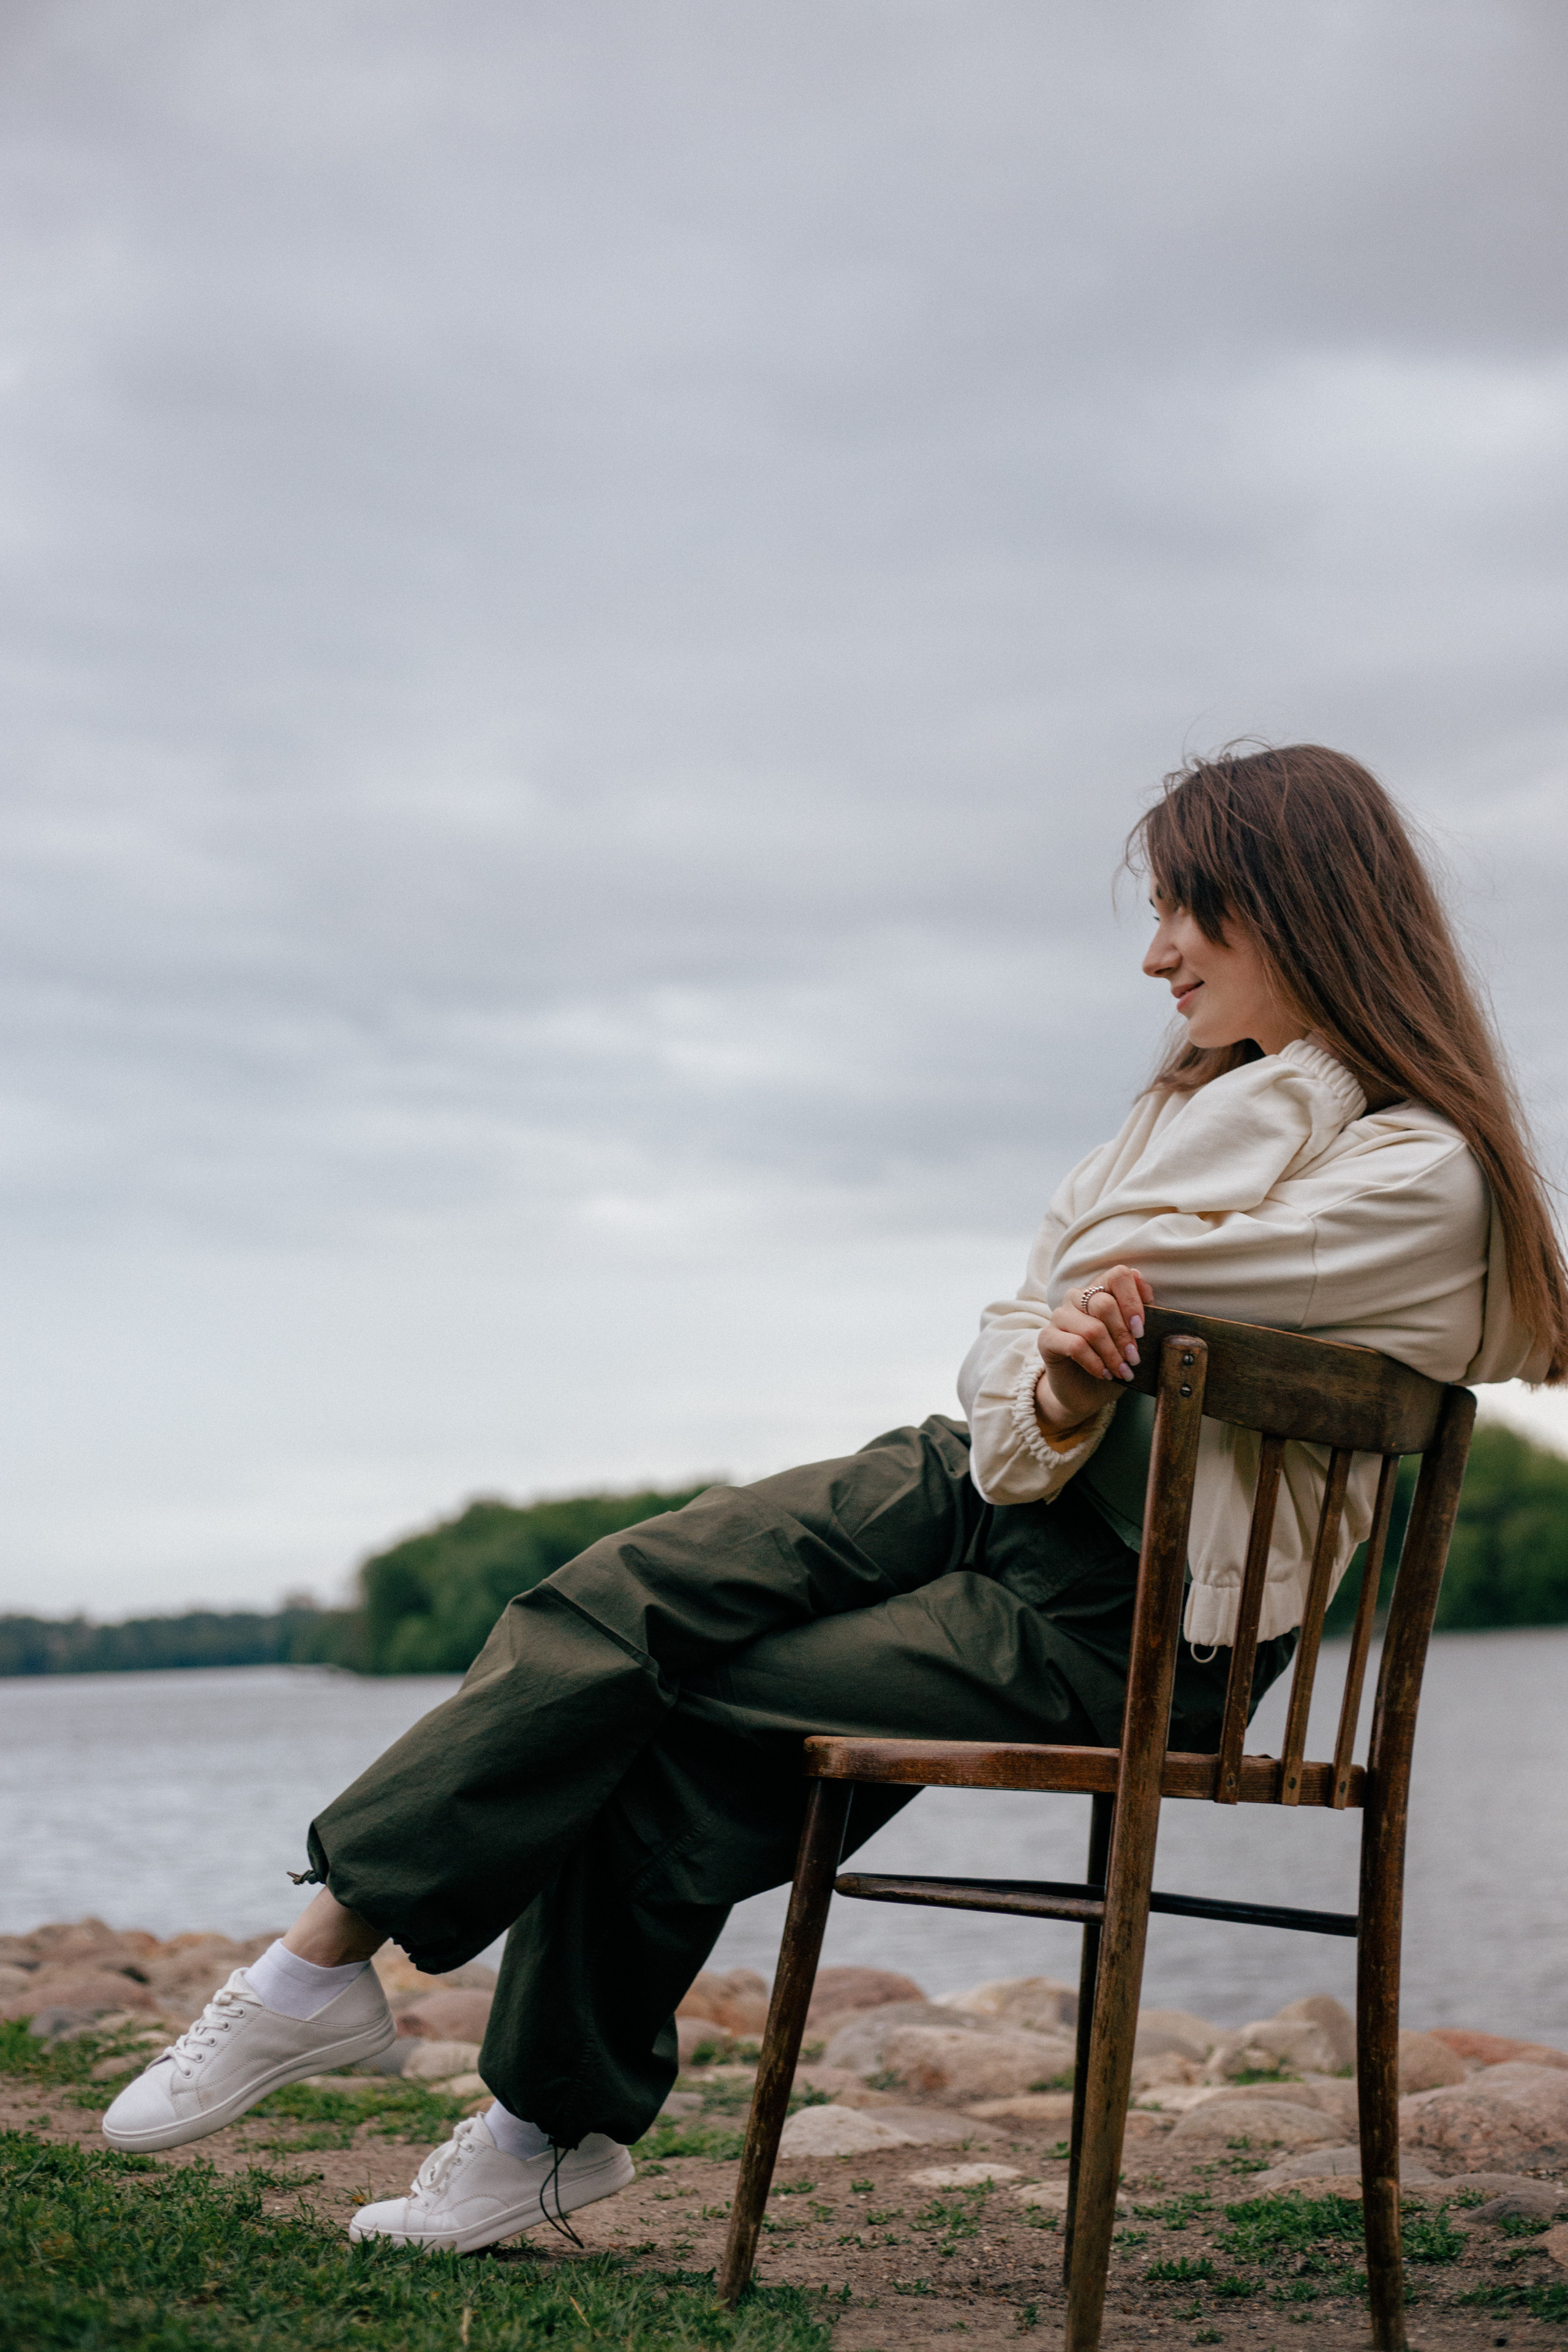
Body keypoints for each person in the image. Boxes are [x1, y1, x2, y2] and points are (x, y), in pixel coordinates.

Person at [102, 745, 1567, 2252]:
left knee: (675, 1721)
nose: (1153, 955)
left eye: (1188, 911)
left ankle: (545, 2127)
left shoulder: (1416, 1174)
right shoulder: (1207, 1111)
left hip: (1131, 1620)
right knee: (617, 1599)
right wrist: (1058, 1384)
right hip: (985, 1490)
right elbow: (1026, 1343)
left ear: (1303, 908)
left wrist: (1292, 1086)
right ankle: (316, 1965)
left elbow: (1107, 1271)